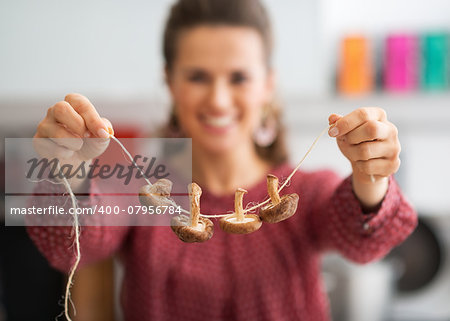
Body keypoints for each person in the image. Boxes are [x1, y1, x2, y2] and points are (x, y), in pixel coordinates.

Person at [27, 0, 417, 320]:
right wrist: (68, 173)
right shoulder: (137, 188)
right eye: (198, 76)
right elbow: (69, 249)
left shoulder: (304, 190)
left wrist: (371, 177)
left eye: (238, 78)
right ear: (170, 81)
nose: (217, 99)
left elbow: (364, 242)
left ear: (268, 84)